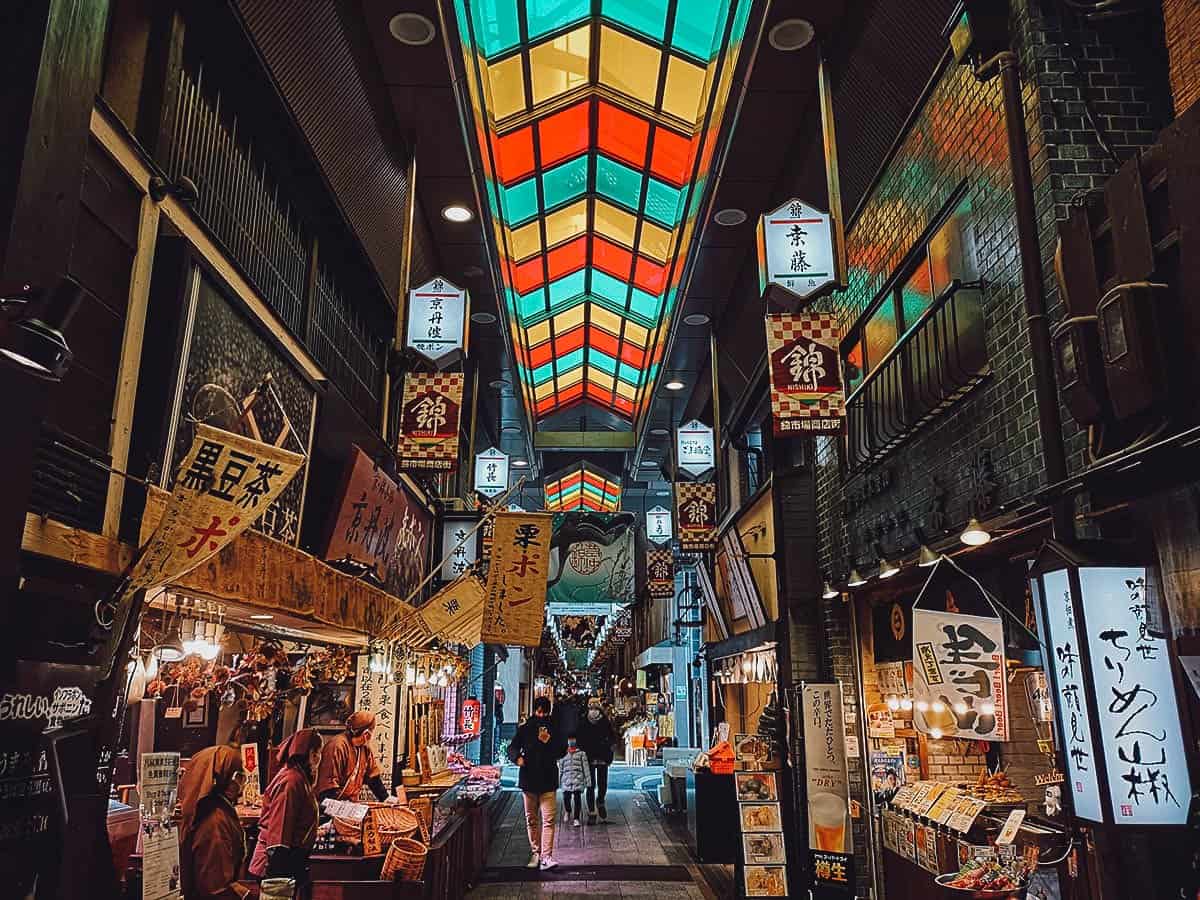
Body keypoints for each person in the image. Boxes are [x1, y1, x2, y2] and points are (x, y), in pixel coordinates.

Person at [249, 729, 324, 891]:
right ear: (312, 754)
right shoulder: (291, 781)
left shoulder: (298, 776)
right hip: (275, 866)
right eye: (318, 752)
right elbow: (279, 831)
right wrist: (278, 880)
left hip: (287, 862)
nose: (319, 758)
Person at [178, 745, 249, 899]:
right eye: (238, 776)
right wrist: (248, 895)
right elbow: (216, 887)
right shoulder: (215, 821)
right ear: (223, 777)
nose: (241, 785)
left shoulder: (202, 807)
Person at [507, 696, 563, 870]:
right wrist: (517, 758)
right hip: (529, 780)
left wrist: (549, 741)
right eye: (539, 712)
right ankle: (536, 853)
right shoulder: (525, 729)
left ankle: (546, 856)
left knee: (549, 820)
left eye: (544, 712)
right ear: (534, 711)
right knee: (531, 819)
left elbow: (562, 750)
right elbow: (512, 747)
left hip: (548, 780)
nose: (541, 715)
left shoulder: (555, 728)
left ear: (548, 711)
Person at [315, 711, 390, 803]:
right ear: (366, 734)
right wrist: (339, 805)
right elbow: (327, 784)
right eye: (372, 730)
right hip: (330, 802)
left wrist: (386, 798)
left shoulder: (364, 749)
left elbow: (373, 777)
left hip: (350, 803)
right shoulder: (337, 746)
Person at [577, 697, 616, 824]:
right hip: (596, 756)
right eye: (592, 706)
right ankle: (596, 805)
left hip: (596, 756)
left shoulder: (593, 720)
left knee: (596, 784)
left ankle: (596, 806)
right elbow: (611, 737)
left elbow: (580, 738)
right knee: (596, 784)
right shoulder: (596, 720)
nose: (593, 709)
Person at [557, 734, 591, 827]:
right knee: (566, 798)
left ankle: (576, 818)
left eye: (573, 739)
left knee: (577, 800)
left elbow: (586, 768)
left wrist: (588, 782)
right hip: (566, 781)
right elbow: (560, 769)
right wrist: (558, 782)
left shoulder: (581, 754)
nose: (571, 741)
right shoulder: (563, 754)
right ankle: (568, 811)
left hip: (578, 780)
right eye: (569, 739)